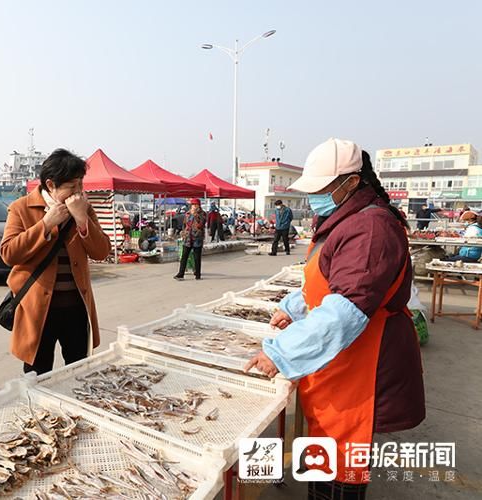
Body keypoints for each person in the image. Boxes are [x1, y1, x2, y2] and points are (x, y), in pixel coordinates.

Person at [245, 138, 425, 499]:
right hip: (339, 367)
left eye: (321, 189)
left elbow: (345, 310)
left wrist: (280, 353)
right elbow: (328, 278)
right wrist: (294, 306)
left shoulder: (370, 228)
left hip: (360, 369)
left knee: (339, 472)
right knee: (323, 461)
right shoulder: (346, 218)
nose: (315, 198)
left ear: (352, 182)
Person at [0, 149, 111, 375]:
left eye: (81, 184)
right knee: (37, 374)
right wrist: (46, 225)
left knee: (79, 371)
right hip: (37, 311)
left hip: (77, 307)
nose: (79, 192)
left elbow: (101, 252)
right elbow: (9, 253)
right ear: (51, 185)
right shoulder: (21, 208)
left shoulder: (84, 208)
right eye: (72, 186)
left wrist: (82, 220)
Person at [174, 198, 206, 280]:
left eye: (196, 205)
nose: (194, 206)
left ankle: (198, 274)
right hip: (188, 237)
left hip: (197, 238)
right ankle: (181, 274)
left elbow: (201, 224)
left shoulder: (202, 214)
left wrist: (196, 215)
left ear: (199, 206)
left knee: (197, 257)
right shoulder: (187, 214)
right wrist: (183, 232)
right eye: (193, 205)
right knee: (184, 256)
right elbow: (185, 224)